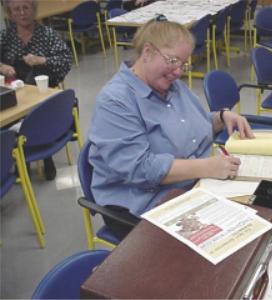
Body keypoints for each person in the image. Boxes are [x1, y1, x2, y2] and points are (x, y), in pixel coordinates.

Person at [88, 16, 254, 240]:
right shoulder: (116, 101)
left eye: (184, 64)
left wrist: (222, 117)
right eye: (173, 60)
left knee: (254, 212)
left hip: (193, 186)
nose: (179, 72)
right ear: (147, 52)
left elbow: (194, 126)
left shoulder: (172, 86)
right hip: (141, 205)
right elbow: (141, 168)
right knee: (232, 238)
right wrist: (207, 167)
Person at [0, 0, 73, 180]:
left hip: (42, 93)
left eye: (26, 8)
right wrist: (2, 66)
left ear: (34, 10)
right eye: (17, 9)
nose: (22, 13)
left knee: (37, 115)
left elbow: (66, 60)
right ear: (10, 14)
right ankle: (17, 155)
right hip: (15, 93)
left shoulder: (47, 34)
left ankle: (45, 156)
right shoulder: (5, 36)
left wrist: (42, 60)